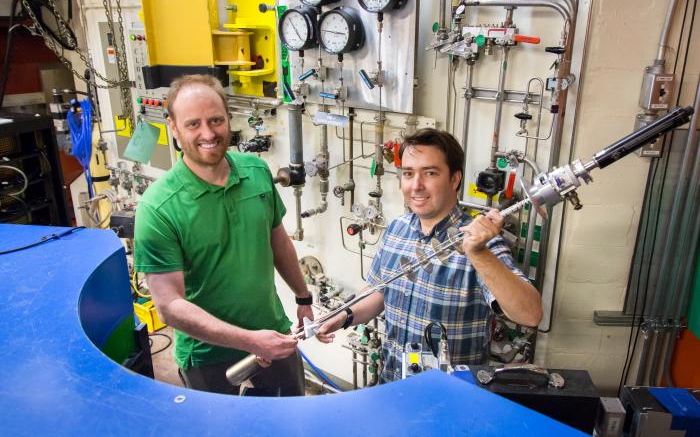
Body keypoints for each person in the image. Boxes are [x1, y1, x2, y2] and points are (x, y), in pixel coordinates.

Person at [133, 74, 313, 396]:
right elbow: (169, 306)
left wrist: (302, 297)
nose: (208, 133)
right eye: (193, 124)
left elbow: (278, 240)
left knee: (292, 425)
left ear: (228, 119)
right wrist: (251, 340)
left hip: (275, 338)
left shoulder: (257, 173)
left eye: (216, 120)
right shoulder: (158, 208)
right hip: (208, 358)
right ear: (173, 128)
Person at [317, 128, 543, 382]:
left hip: (450, 399)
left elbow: (530, 314)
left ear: (454, 179)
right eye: (408, 174)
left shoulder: (480, 244)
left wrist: (479, 254)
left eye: (430, 173)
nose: (416, 186)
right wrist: (343, 315)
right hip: (391, 384)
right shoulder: (397, 228)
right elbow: (380, 291)